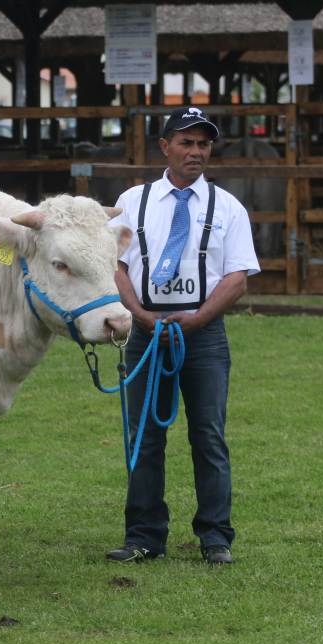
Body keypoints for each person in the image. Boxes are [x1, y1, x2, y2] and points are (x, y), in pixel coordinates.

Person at [106, 106, 260, 566]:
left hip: (204, 335)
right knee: (144, 436)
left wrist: (198, 319)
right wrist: (138, 314)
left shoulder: (228, 206)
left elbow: (237, 276)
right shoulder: (132, 202)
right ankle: (144, 537)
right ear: (165, 147)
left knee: (208, 434)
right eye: (186, 142)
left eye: (203, 144)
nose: (196, 152)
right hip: (147, 335)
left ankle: (215, 537)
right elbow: (113, 264)